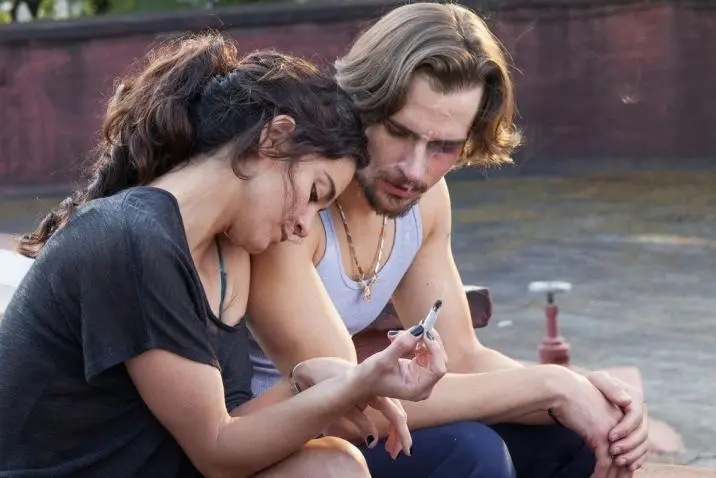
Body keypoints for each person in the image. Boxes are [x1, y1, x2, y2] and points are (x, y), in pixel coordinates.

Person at [0, 32, 449, 478]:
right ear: (275, 139)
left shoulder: (225, 256)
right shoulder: (130, 236)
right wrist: (355, 383)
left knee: (332, 464)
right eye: (314, 193)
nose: (303, 226)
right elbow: (217, 451)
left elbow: (230, 424)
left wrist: (304, 380)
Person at [246, 3, 651, 478]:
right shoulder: (296, 204)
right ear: (361, 104)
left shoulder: (426, 200)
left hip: (365, 422)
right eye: (400, 132)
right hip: (277, 444)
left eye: (443, 147)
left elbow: (462, 356)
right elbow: (347, 401)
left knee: (578, 438)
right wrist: (551, 386)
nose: (414, 170)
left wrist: (586, 394)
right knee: (472, 452)